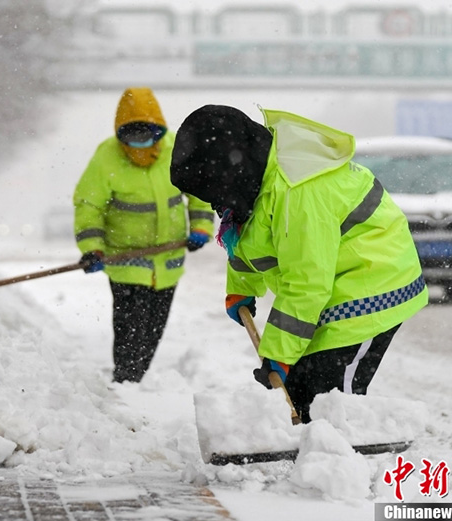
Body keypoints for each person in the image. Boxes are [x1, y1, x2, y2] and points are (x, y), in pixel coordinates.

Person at [169, 105, 428, 422]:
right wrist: (242, 288)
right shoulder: (255, 182)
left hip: (372, 282)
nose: (215, 202)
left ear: (231, 171)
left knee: (328, 395)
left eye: (216, 190)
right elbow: (250, 237)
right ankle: (313, 452)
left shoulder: (298, 192)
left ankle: (339, 455)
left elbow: (306, 284)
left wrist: (277, 355)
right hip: (332, 281)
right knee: (300, 387)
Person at [73, 88, 215, 383]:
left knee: (153, 330)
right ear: (120, 135)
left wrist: (201, 227)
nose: (139, 143)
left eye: (145, 134)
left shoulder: (178, 150)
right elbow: (89, 207)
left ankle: (134, 378)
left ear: (158, 130)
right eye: (131, 136)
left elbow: (200, 193)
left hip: (168, 262)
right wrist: (92, 248)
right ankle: (126, 379)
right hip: (126, 263)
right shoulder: (106, 159)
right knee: (130, 327)